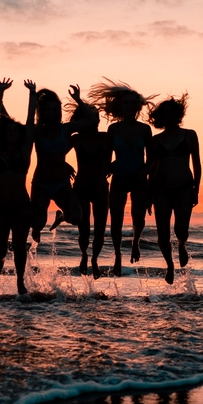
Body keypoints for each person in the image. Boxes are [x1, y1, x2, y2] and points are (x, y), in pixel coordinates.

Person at [89, 80, 153, 276]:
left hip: (139, 178)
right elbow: (107, 157)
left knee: (138, 217)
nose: (129, 106)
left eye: (133, 103)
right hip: (119, 177)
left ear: (138, 106)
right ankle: (117, 255)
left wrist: (146, 171)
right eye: (126, 103)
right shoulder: (113, 129)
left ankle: (135, 243)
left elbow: (151, 157)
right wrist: (104, 173)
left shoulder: (144, 129)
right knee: (115, 219)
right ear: (120, 106)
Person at [29, 85, 98, 243]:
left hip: (61, 184)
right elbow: (19, 126)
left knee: (76, 218)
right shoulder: (37, 131)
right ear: (42, 112)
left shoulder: (66, 129)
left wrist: (78, 99)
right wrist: (32, 100)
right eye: (48, 110)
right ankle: (36, 227)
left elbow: (92, 119)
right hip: (41, 184)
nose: (52, 113)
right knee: (37, 223)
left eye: (55, 109)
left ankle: (61, 215)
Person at [0, 78, 34, 295]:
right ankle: (0, 260)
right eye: (10, 131)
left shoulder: (25, 151)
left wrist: (32, 95)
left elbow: (30, 121)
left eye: (16, 131)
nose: (13, 134)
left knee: (20, 246)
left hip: (22, 206)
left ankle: (20, 282)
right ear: (5, 134)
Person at [148, 96, 201, 285]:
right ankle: (169, 265)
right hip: (160, 188)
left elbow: (197, 164)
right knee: (162, 233)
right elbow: (151, 168)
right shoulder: (155, 141)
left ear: (178, 115)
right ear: (160, 117)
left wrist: (196, 189)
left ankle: (182, 245)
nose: (169, 117)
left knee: (181, 229)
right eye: (165, 114)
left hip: (184, 187)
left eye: (172, 113)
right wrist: (148, 195)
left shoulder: (189, 135)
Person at [66, 92, 112, 278]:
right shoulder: (76, 138)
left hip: (101, 188)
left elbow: (122, 153)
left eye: (96, 117)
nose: (95, 120)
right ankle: (85, 255)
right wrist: (64, 163)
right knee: (83, 230)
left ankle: (94, 259)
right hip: (81, 188)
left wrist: (113, 165)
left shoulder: (105, 137)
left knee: (100, 231)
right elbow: (54, 153)